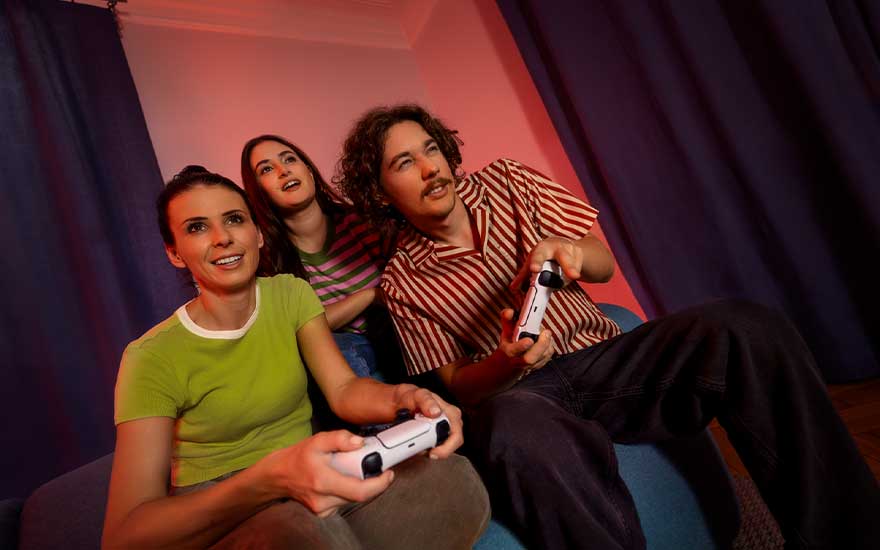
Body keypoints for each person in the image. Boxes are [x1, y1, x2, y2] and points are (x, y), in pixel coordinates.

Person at [335, 104, 880, 550]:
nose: (430, 167)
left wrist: (570, 252)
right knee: (512, 425)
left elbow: (603, 263)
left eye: (430, 148)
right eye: (404, 162)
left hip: (608, 360)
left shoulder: (508, 180)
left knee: (743, 326)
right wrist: (506, 363)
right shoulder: (401, 282)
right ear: (381, 193)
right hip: (527, 396)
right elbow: (455, 383)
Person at [101, 165, 489, 550]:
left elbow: (344, 389)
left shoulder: (290, 295)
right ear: (174, 253)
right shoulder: (149, 356)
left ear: (257, 235)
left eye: (234, 219)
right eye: (197, 227)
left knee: (453, 483)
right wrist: (268, 479)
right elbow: (124, 535)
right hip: (227, 504)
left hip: (313, 474)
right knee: (297, 532)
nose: (222, 238)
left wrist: (403, 397)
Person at [240, 135, 394, 380]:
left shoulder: (362, 222)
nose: (283, 170)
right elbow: (299, 330)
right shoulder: (269, 262)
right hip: (345, 356)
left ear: (309, 171)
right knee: (335, 347)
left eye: (289, 159)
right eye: (267, 169)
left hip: (398, 335)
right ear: (259, 192)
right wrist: (370, 296)